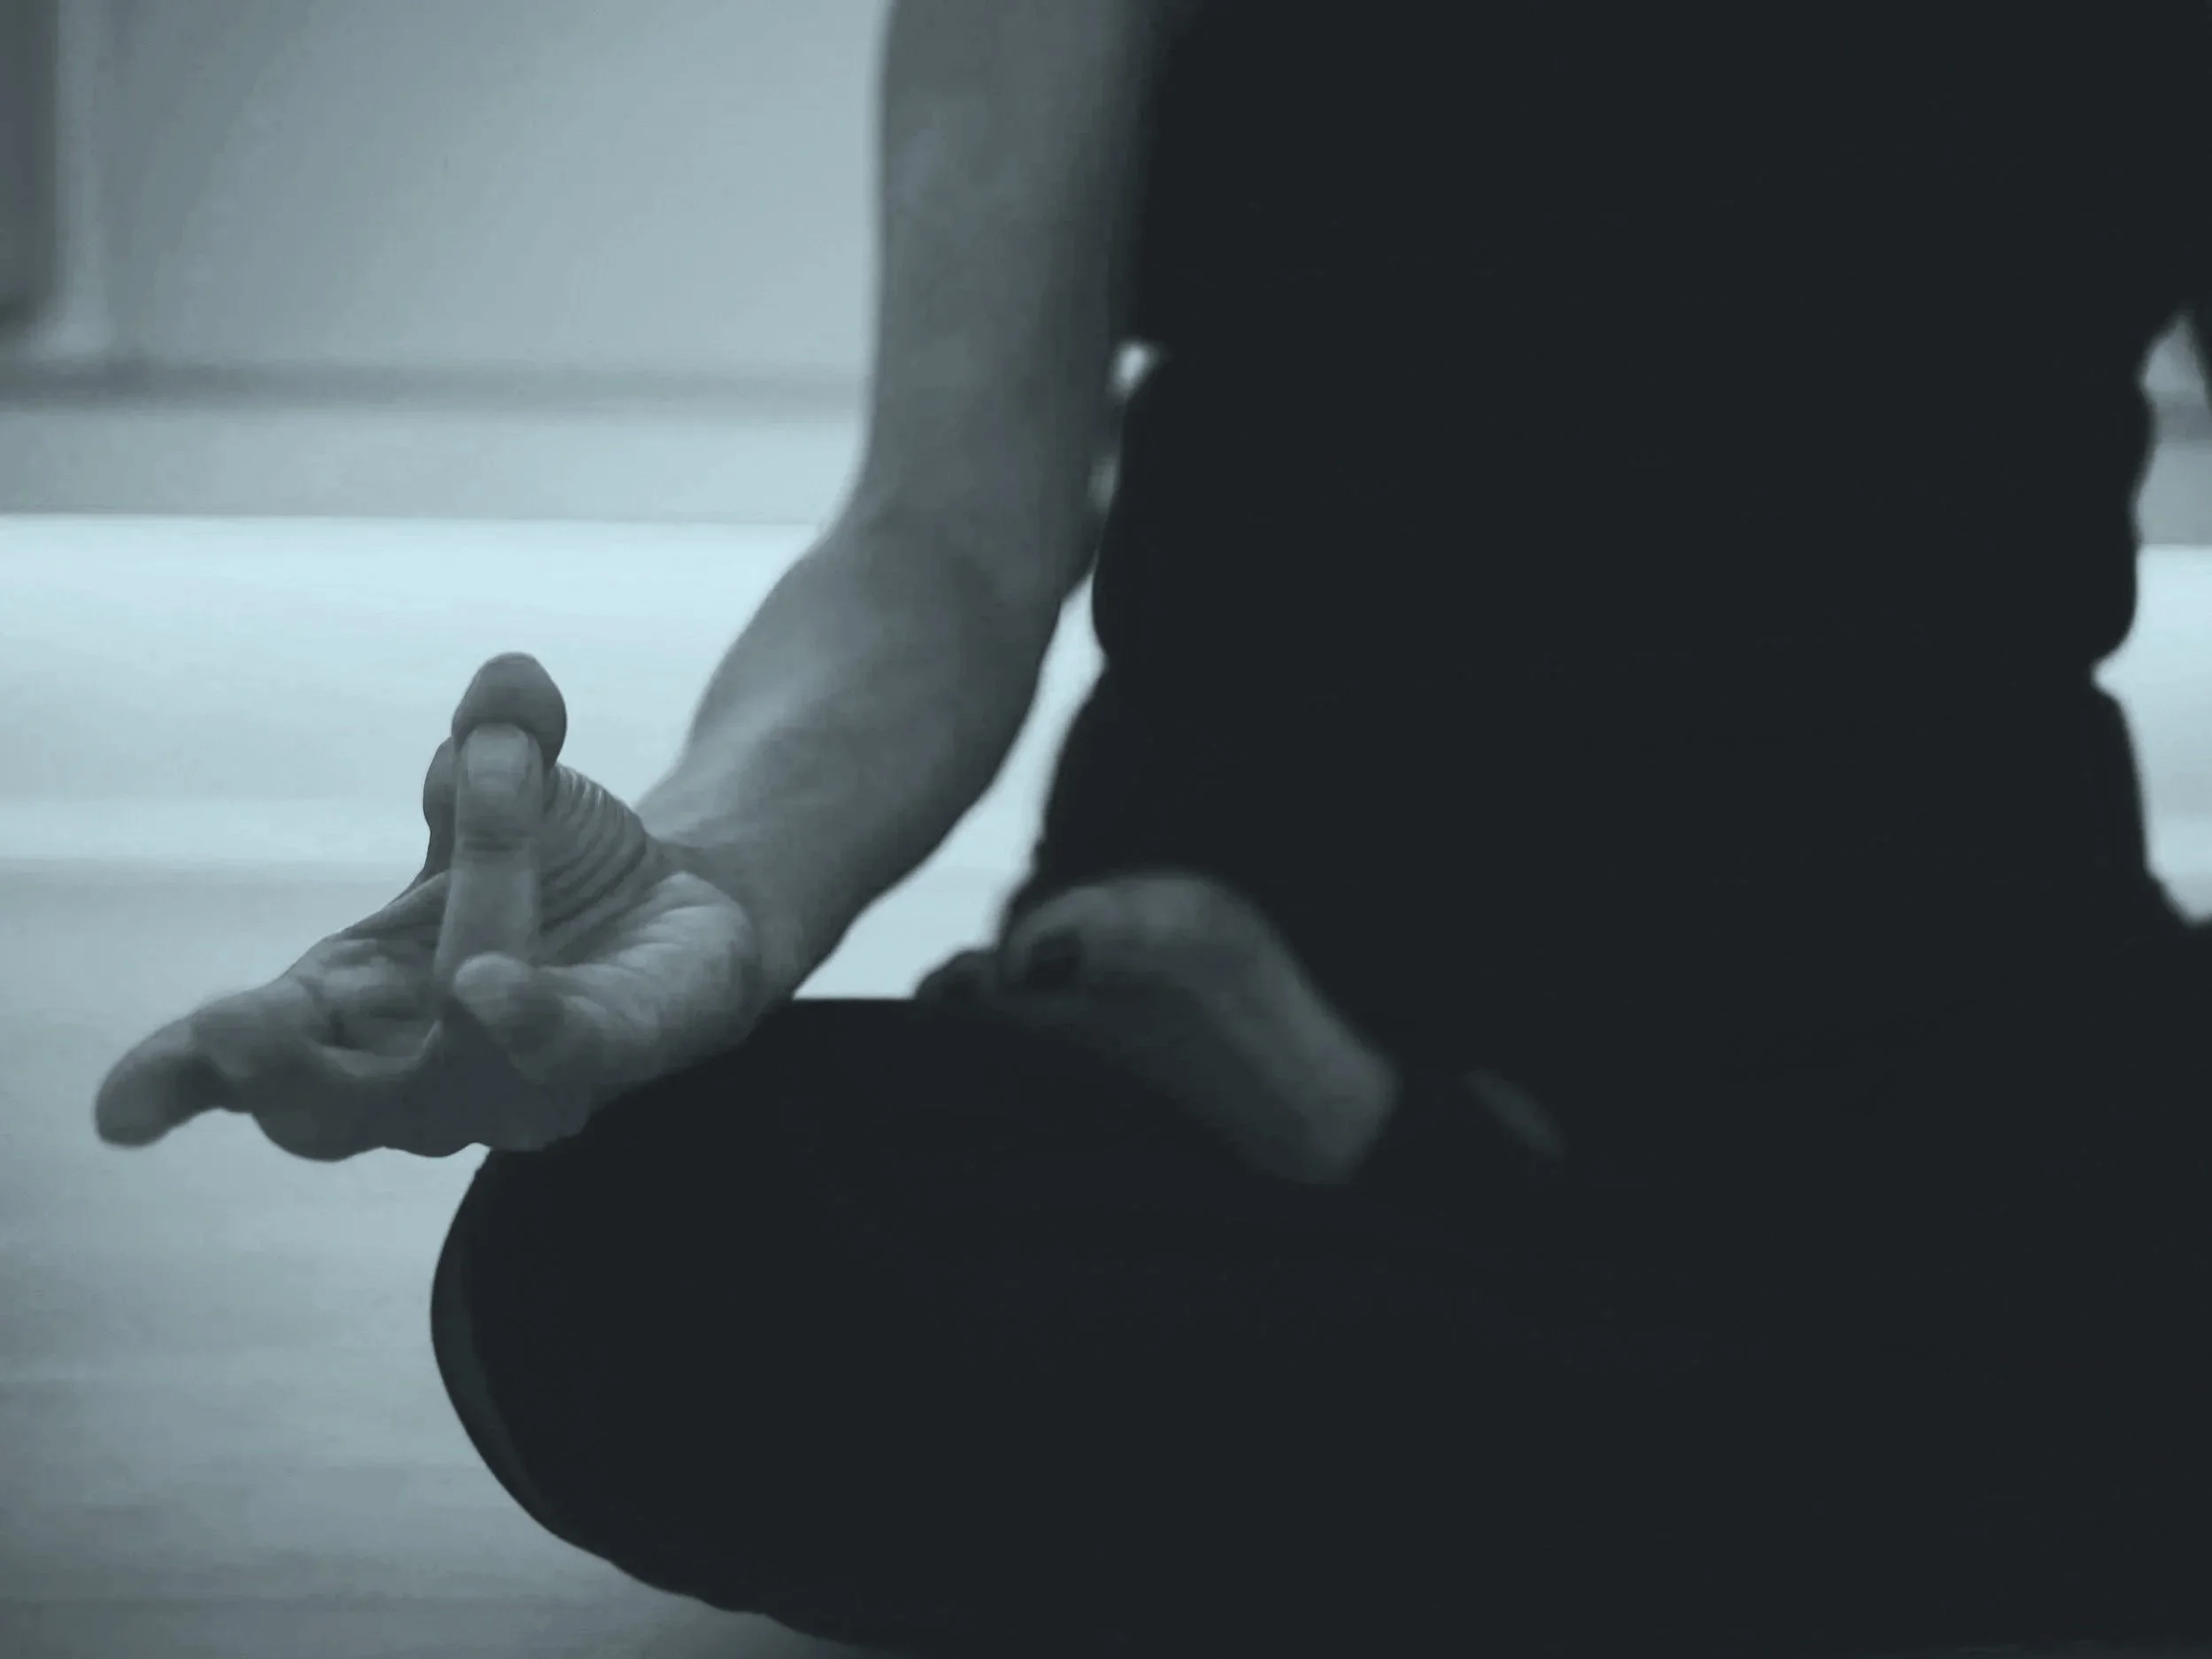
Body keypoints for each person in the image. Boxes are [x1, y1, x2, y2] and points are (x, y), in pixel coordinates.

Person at [88, 4, 2212, 1655]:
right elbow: (942, 533)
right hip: (1183, 1057)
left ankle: (1438, 1265)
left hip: (1951, 1051)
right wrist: (715, 882)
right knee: (639, 1260)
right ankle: (1784, 1447)